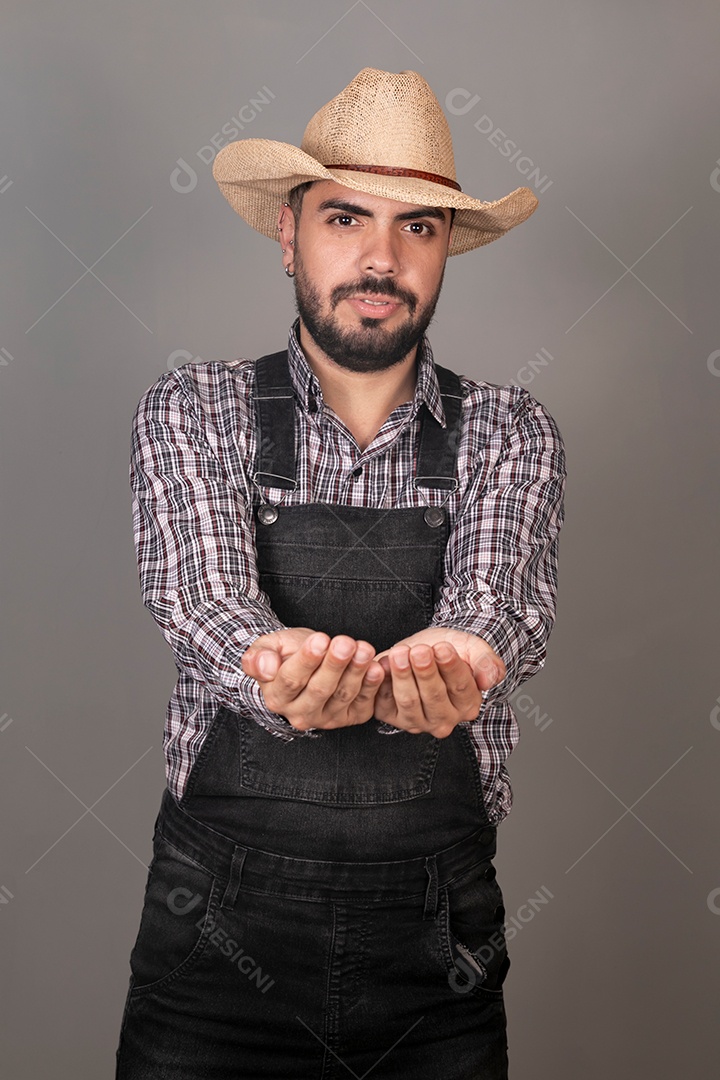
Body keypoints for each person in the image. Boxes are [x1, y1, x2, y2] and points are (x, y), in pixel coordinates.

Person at [115, 67, 566, 1080]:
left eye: (418, 228)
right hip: (213, 949)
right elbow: (200, 596)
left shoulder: (510, 430)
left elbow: (499, 604)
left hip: (434, 943)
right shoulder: (197, 406)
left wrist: (468, 652)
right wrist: (269, 661)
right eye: (347, 218)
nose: (379, 258)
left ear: (447, 250)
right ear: (289, 232)